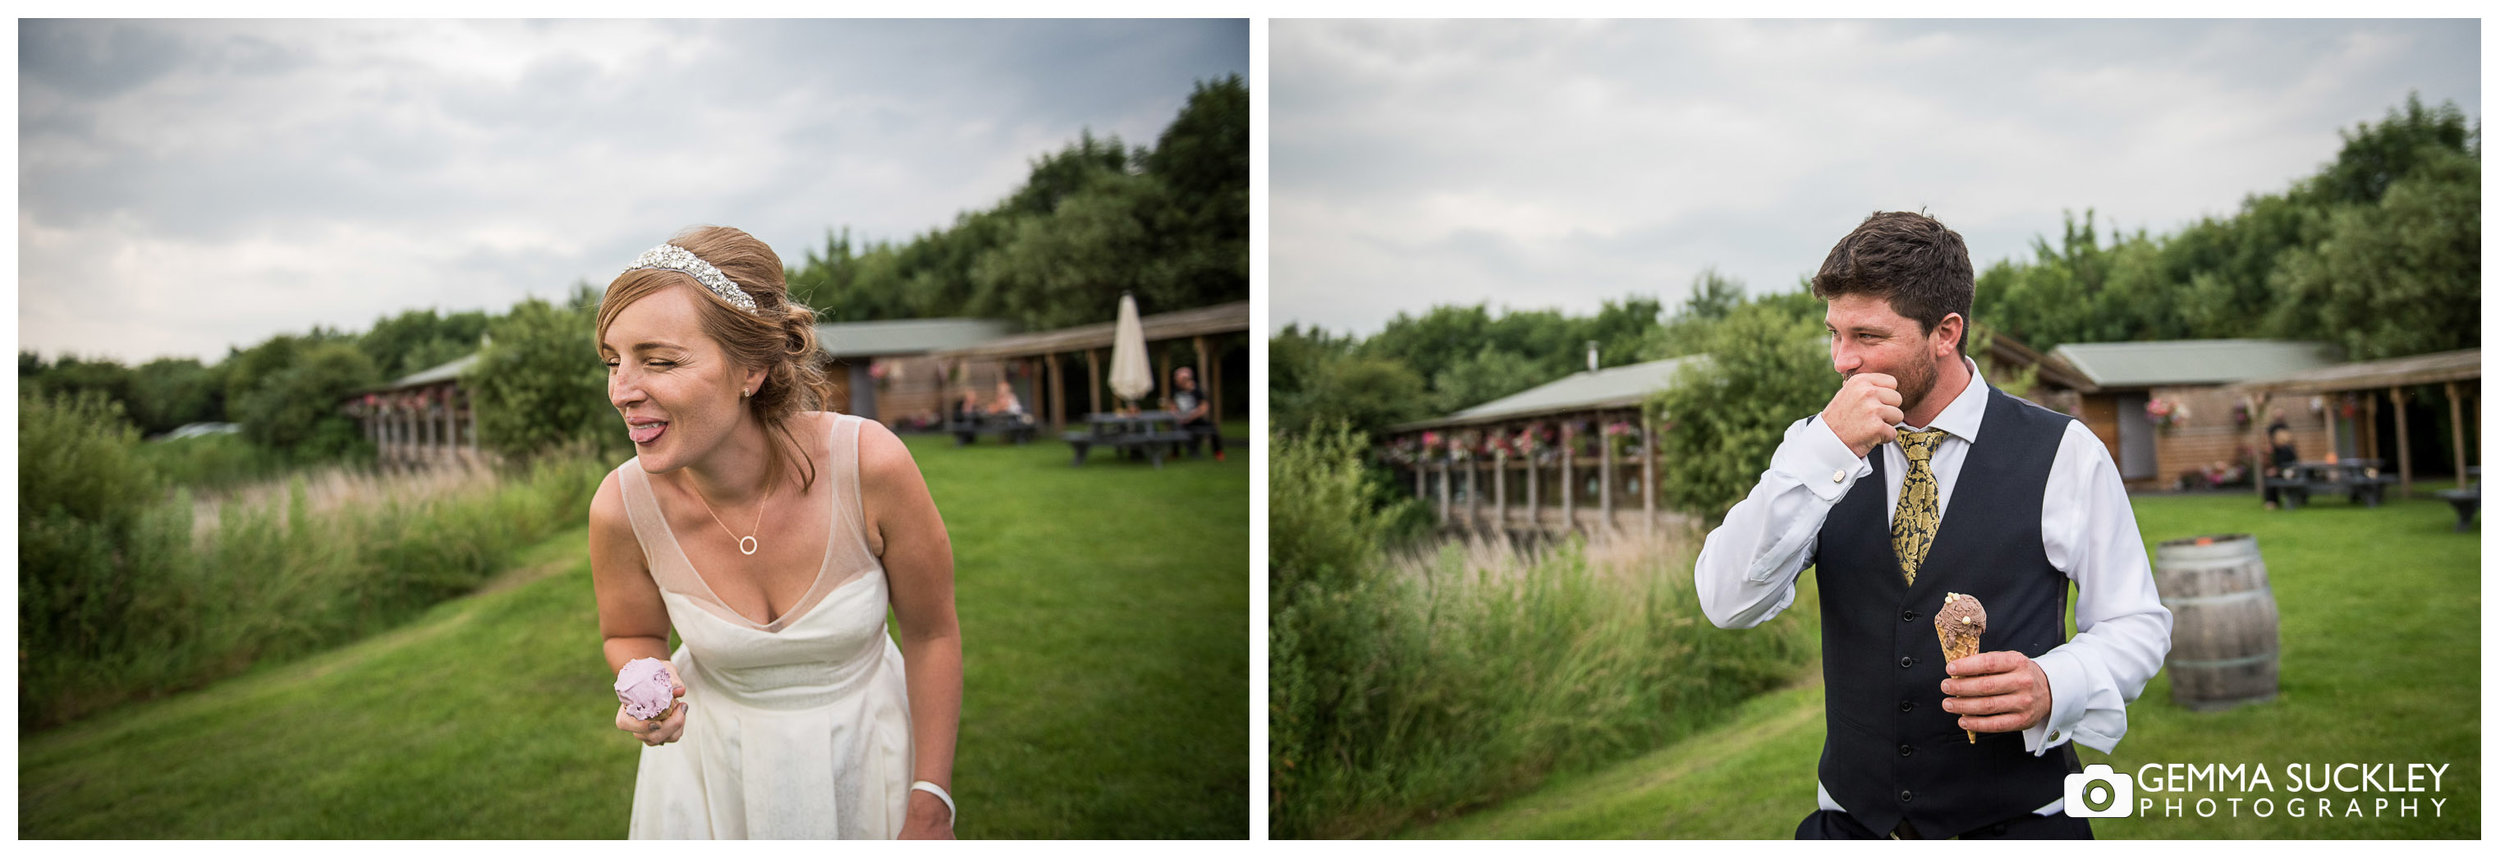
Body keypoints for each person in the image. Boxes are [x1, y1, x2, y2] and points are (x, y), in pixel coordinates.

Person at [1692, 212, 2172, 840]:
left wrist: (2058, 684)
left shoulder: (2066, 453)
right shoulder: (1815, 455)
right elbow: (1728, 603)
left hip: (2021, 828)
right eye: (1834, 333)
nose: (1842, 360)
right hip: (1850, 827)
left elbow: (2135, 622)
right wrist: (1823, 456)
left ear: (1946, 332)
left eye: (1867, 335)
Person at [588, 226, 962, 839]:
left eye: (658, 361)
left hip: (870, 762)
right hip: (711, 788)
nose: (622, 392)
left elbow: (932, 633)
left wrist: (931, 798)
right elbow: (630, 632)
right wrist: (648, 689)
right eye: (613, 361)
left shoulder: (872, 465)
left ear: (753, 369)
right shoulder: (621, 507)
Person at [1168, 366, 1223, 461]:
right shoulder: (1175, 390)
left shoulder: (1196, 390)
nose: (1177, 381)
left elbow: (1204, 406)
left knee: (1212, 428)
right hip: (1181, 420)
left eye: (1179, 379)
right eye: (1176, 379)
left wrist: (1192, 417)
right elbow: (1172, 405)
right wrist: (1177, 416)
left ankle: (1218, 452)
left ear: (1186, 379)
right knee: (1174, 430)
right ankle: (1175, 454)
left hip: (1195, 419)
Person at [2263, 413, 2298, 509]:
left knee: (2270, 476)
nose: (2273, 440)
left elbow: (2284, 463)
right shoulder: (2286, 448)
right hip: (2287, 471)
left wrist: (2276, 469)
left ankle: (2271, 502)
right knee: (2270, 475)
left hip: (2288, 472)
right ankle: (2272, 501)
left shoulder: (2285, 449)